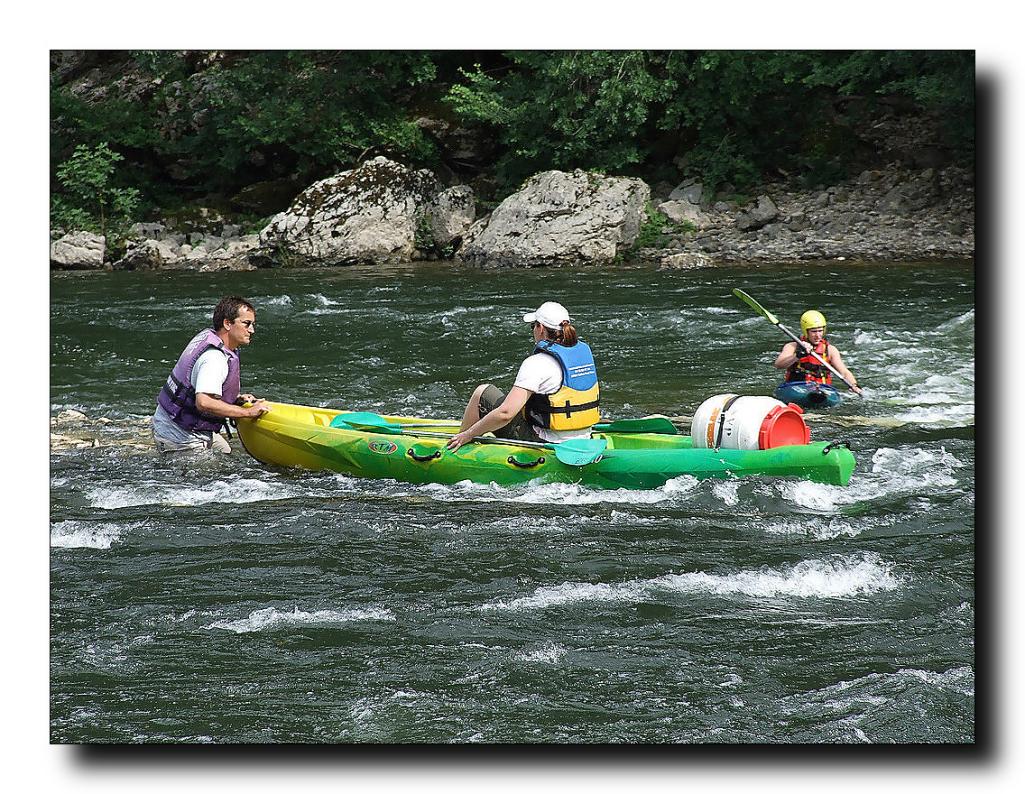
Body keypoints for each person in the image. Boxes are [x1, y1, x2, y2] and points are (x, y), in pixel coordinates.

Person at [446, 301, 600, 452]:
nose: (533, 330)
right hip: (584, 438)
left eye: (533, 326)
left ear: (540, 329)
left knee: (482, 392)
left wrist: (470, 434)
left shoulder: (537, 363)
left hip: (545, 443)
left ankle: (457, 444)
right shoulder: (583, 353)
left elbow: (505, 414)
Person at [152, 295, 270, 453]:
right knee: (216, 476)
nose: (252, 330)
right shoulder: (214, 358)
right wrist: (247, 413)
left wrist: (235, 400)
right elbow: (204, 402)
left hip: (172, 422)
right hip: (179, 434)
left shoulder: (214, 340)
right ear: (227, 323)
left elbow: (200, 388)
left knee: (226, 452)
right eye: (246, 324)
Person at [774, 309, 863, 395]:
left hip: (822, 389)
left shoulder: (830, 350)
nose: (818, 335)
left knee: (819, 396)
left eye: (820, 331)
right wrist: (797, 355)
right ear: (806, 331)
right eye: (814, 331)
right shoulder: (792, 346)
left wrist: (854, 385)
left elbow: (844, 372)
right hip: (796, 387)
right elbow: (778, 365)